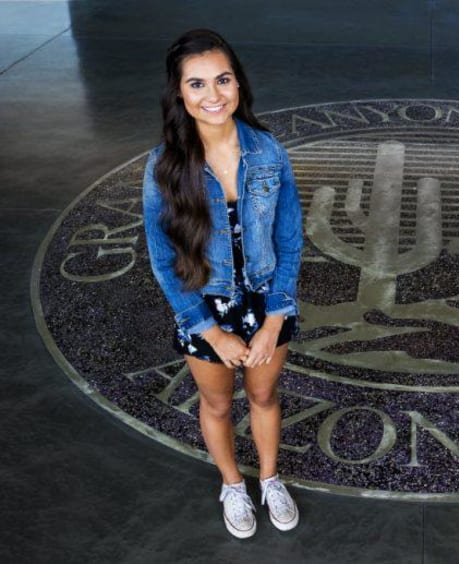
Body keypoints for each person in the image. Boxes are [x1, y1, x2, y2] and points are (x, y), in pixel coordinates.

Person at [142, 28, 302, 539]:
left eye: (223, 79)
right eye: (197, 84)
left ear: (239, 84)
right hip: (203, 310)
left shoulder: (270, 152)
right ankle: (233, 483)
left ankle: (270, 479)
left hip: (266, 303)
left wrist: (275, 317)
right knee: (215, 403)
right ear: (179, 94)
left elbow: (291, 239)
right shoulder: (164, 167)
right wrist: (210, 331)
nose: (213, 95)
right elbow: (164, 261)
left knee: (264, 396)